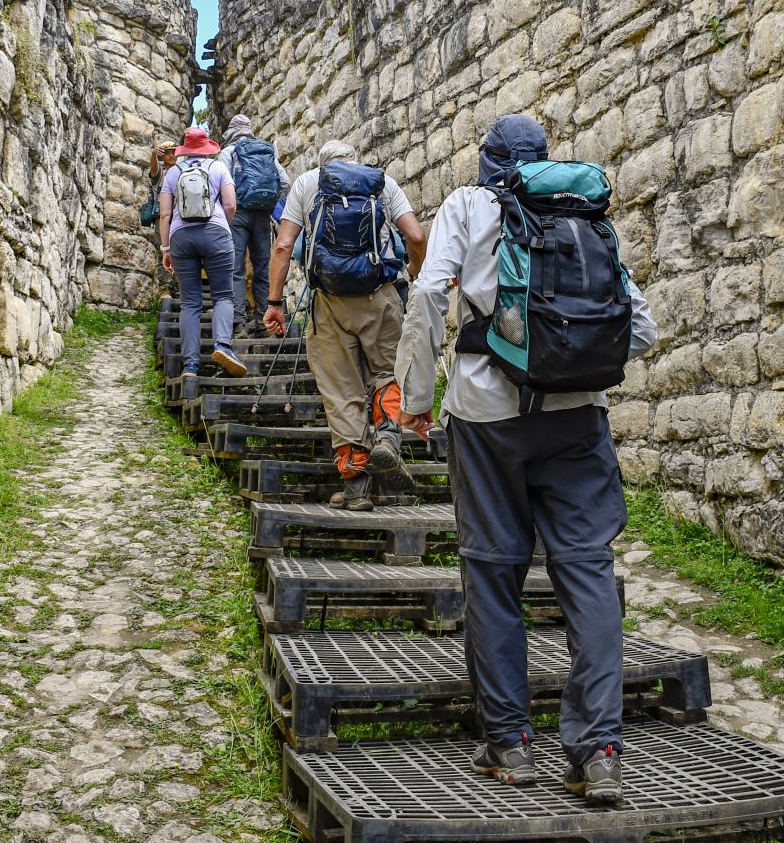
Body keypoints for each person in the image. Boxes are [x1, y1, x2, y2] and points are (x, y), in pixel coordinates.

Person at [393, 115, 658, 805]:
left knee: (492, 571)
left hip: (485, 418)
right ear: (543, 162)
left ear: (486, 163)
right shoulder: (577, 212)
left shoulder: (467, 205)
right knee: (589, 574)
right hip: (578, 419)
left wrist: (418, 397)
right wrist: (571, 362)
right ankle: (599, 751)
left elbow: (426, 293)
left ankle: (509, 745)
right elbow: (643, 326)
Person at [263, 140, 426, 511]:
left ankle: (355, 488)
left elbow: (283, 246)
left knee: (340, 389)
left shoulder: (307, 183)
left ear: (323, 164)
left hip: (329, 302)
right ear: (353, 161)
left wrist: (274, 303)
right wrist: (415, 269)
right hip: (380, 294)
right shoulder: (381, 183)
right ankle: (387, 438)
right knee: (390, 372)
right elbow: (415, 236)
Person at [158, 127, 247, 377]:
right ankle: (222, 346)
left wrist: (166, 249)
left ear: (184, 148)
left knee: (190, 303)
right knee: (223, 296)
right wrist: (222, 228)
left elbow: (165, 214)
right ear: (208, 147)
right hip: (216, 234)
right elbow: (230, 204)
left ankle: (190, 366)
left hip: (181, 238)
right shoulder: (218, 168)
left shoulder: (173, 173)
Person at [217, 114, 291, 331]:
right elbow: (285, 182)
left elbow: (220, 186)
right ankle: (262, 319)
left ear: (230, 131)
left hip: (237, 214)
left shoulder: (228, 152)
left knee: (235, 268)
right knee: (262, 266)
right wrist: (268, 202)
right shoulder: (266, 151)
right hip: (263, 215)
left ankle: (238, 321)